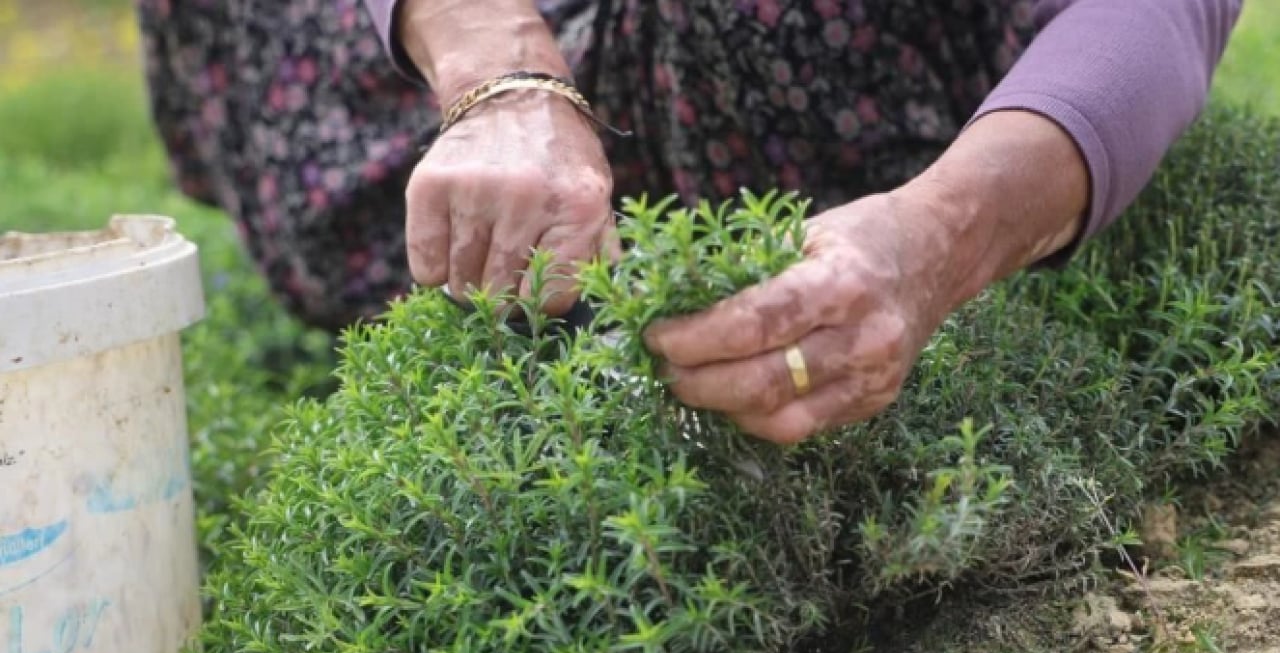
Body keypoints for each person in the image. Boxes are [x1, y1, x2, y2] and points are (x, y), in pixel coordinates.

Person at [138, 0, 1241, 443]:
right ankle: (469, 289)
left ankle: (815, 284)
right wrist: (507, 75)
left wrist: (936, 240)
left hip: (885, 92)